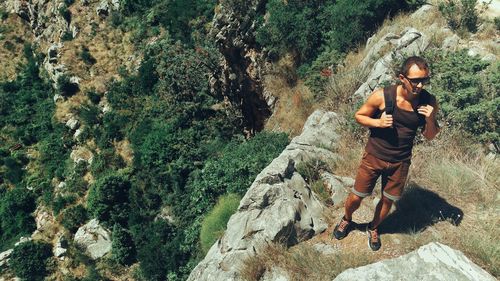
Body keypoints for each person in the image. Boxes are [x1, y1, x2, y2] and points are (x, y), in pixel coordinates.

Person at [332, 56, 440, 251]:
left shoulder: (429, 101)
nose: (420, 85)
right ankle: (347, 219)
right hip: (374, 157)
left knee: (388, 200)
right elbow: (359, 115)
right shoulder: (383, 96)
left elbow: (431, 136)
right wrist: (378, 123)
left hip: (401, 162)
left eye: (424, 80)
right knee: (357, 197)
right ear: (402, 78)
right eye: (415, 80)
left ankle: (373, 227)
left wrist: (430, 119)